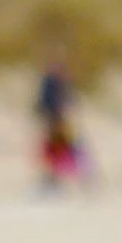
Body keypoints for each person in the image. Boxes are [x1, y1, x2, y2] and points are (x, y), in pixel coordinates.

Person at [34, 57, 86, 190]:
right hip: (54, 121)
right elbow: (43, 104)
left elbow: (71, 101)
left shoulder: (62, 84)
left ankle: (65, 177)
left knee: (64, 148)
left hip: (61, 121)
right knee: (54, 149)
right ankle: (54, 178)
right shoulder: (49, 84)